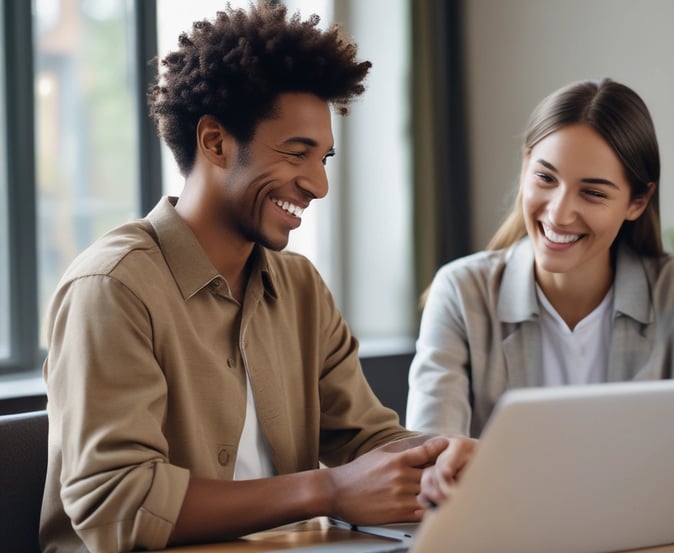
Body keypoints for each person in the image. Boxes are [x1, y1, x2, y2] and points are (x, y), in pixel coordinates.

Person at [40, 3, 474, 552]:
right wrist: (327, 490)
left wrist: (447, 455)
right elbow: (117, 504)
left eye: (325, 159)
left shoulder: (299, 288)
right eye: (297, 154)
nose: (318, 185)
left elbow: (366, 439)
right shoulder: (112, 288)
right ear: (215, 142)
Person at [405, 77, 674, 488]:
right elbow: (430, 452)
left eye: (592, 193)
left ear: (637, 202)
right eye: (545, 178)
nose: (559, 214)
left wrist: (622, 476)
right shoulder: (461, 290)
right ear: (525, 166)